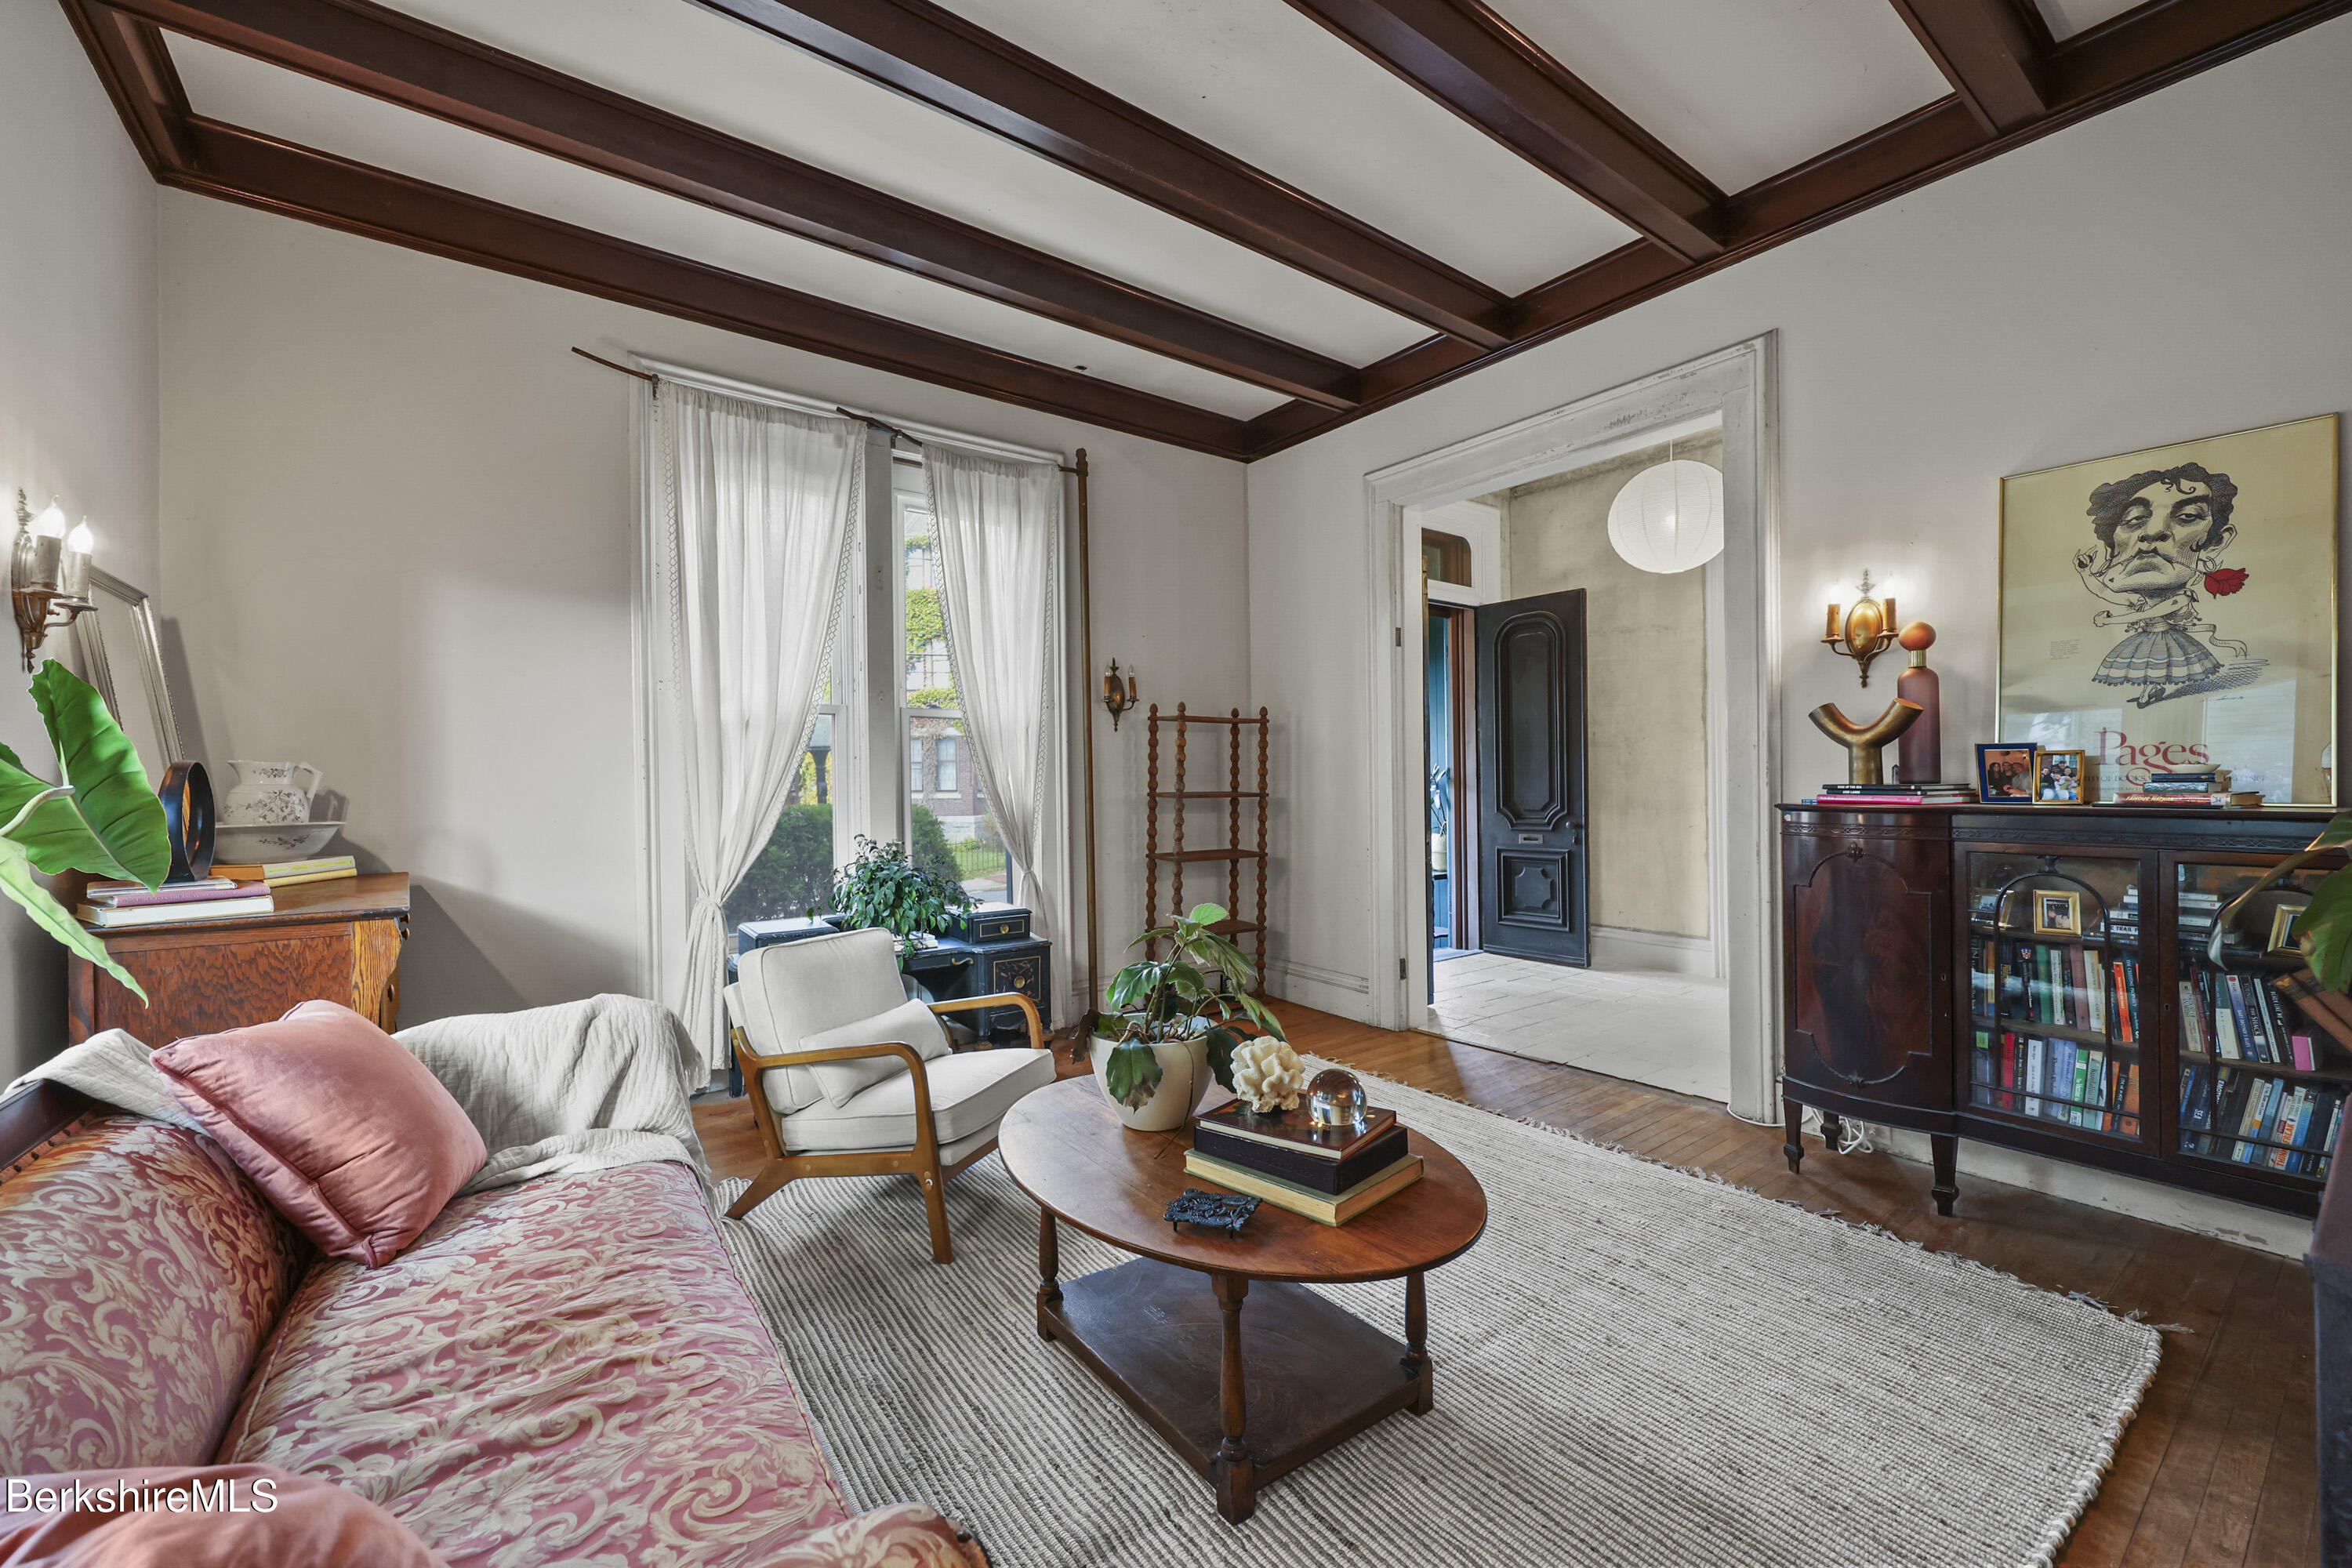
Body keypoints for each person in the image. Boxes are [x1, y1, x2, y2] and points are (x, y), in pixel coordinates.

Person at [2073, 463, 2252, 708]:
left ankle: (2148, 694)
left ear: (2217, 542)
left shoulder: (2181, 598)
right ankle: (2152, 690)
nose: (2153, 532)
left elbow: (2151, 613)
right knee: (2152, 669)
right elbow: (2103, 591)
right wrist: (2085, 573)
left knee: (2156, 667)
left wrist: (2110, 621)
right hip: (2149, 637)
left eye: (2188, 517)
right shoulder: (2137, 598)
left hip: (2164, 638)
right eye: (2134, 519)